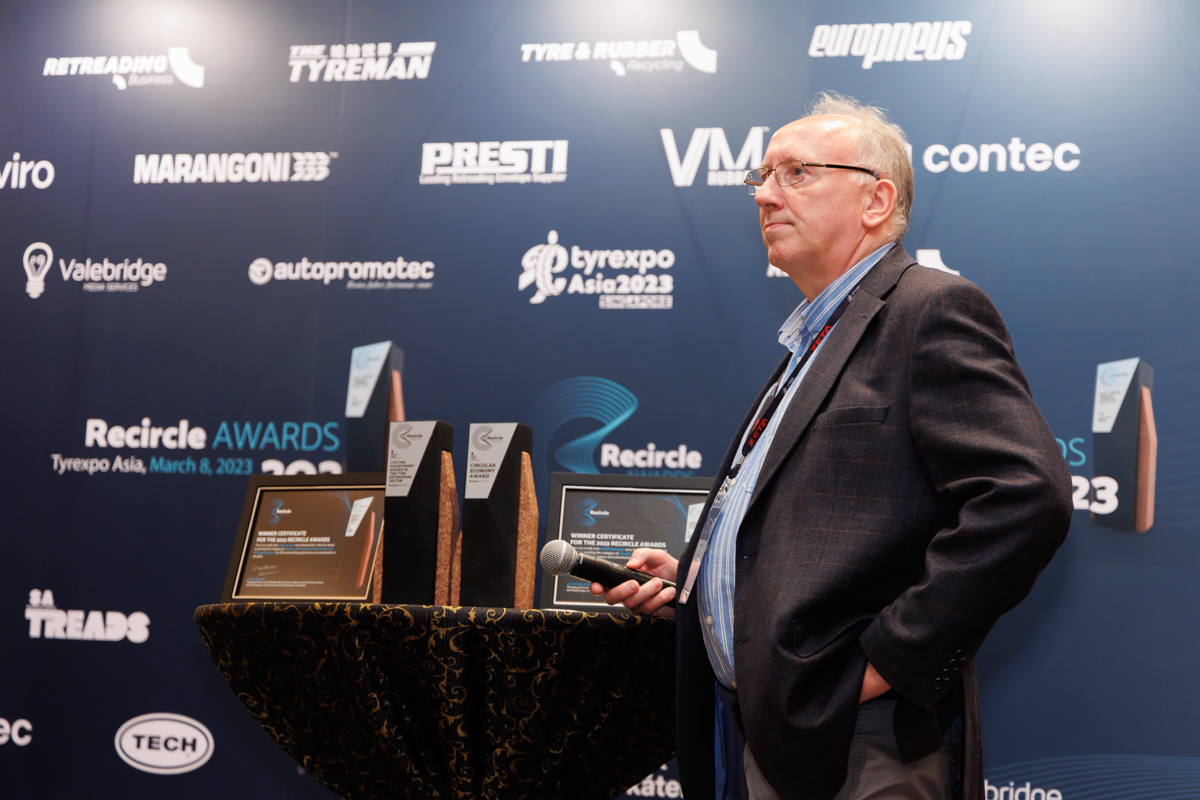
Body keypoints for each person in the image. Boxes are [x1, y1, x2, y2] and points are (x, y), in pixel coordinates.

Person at [592, 92, 1072, 800]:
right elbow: (826, 539)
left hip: (858, 740)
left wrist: (884, 664)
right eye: (762, 177)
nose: (765, 195)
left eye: (796, 173)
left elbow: (1027, 497)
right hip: (772, 731)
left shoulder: (928, 309)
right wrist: (695, 583)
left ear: (876, 201)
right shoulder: (815, 338)